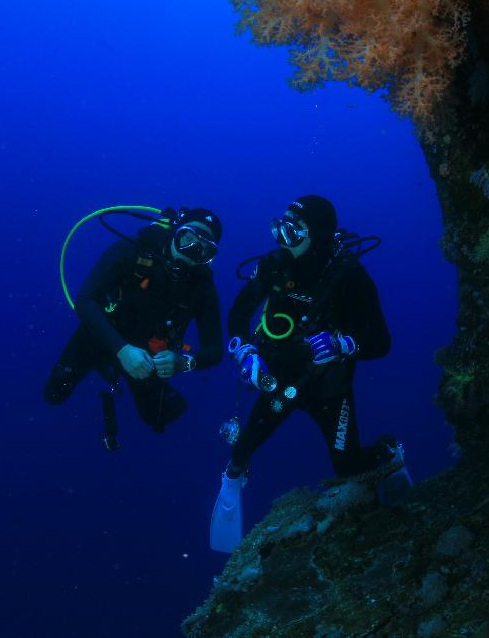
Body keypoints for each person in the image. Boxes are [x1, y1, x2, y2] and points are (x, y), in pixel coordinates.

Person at [209, 195, 410, 552]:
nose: (281, 238)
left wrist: (342, 344)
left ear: (317, 234)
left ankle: (390, 453)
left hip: (329, 389)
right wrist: (245, 353)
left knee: (348, 467)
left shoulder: (349, 275)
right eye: (280, 227)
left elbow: (381, 342)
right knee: (241, 450)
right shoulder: (274, 266)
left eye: (293, 230)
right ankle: (230, 487)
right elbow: (238, 316)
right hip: (280, 381)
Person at [44, 207, 224, 448]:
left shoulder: (202, 288)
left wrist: (183, 363)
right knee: (54, 393)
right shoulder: (134, 250)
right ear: (174, 233)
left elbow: (215, 349)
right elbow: (85, 301)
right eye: (187, 239)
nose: (191, 252)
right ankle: (102, 363)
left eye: (204, 249)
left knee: (163, 415)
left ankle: (117, 369)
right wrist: (121, 350)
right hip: (103, 333)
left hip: (149, 354)